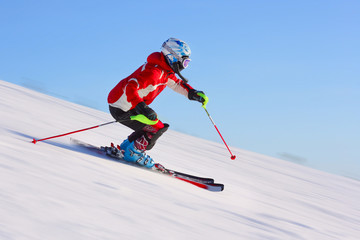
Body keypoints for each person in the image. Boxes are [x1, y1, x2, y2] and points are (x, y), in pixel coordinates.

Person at [107, 38, 208, 168]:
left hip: (128, 105)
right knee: (156, 128)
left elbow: (177, 84)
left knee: (153, 124)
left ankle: (126, 148)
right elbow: (130, 86)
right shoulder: (154, 73)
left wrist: (193, 93)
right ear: (173, 57)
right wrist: (142, 107)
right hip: (121, 107)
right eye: (185, 61)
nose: (184, 66)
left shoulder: (165, 71)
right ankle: (133, 153)